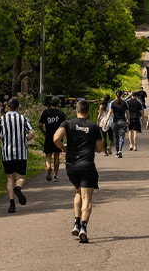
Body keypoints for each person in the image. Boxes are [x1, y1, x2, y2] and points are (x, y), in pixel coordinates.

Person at [53, 100, 103, 243]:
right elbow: (99, 148)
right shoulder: (93, 126)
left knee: (77, 192)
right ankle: (83, 227)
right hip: (87, 165)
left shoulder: (68, 124)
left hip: (72, 166)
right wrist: (90, 148)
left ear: (76, 110)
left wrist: (64, 148)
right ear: (87, 111)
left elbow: (56, 138)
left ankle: (76, 223)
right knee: (87, 198)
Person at [0, 97, 36, 213]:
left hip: (7, 154)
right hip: (21, 153)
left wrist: (2, 137)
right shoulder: (23, 118)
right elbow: (32, 132)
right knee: (20, 177)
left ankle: (12, 204)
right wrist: (26, 139)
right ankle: (18, 188)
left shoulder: (1, 120)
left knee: (10, 177)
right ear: (18, 107)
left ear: (8, 107)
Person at [39, 96, 66, 182]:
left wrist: (43, 131)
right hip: (58, 137)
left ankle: (49, 168)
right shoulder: (61, 114)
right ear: (58, 104)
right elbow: (64, 126)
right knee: (57, 156)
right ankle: (55, 175)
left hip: (48, 137)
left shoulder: (46, 113)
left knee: (48, 156)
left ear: (51, 103)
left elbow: (40, 124)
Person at [104, 90, 130, 158]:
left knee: (116, 137)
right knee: (121, 136)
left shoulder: (112, 103)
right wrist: (128, 121)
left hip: (114, 122)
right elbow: (127, 113)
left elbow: (109, 112)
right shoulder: (124, 103)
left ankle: (117, 151)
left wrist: (106, 120)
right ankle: (120, 150)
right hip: (123, 121)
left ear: (116, 95)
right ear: (122, 95)